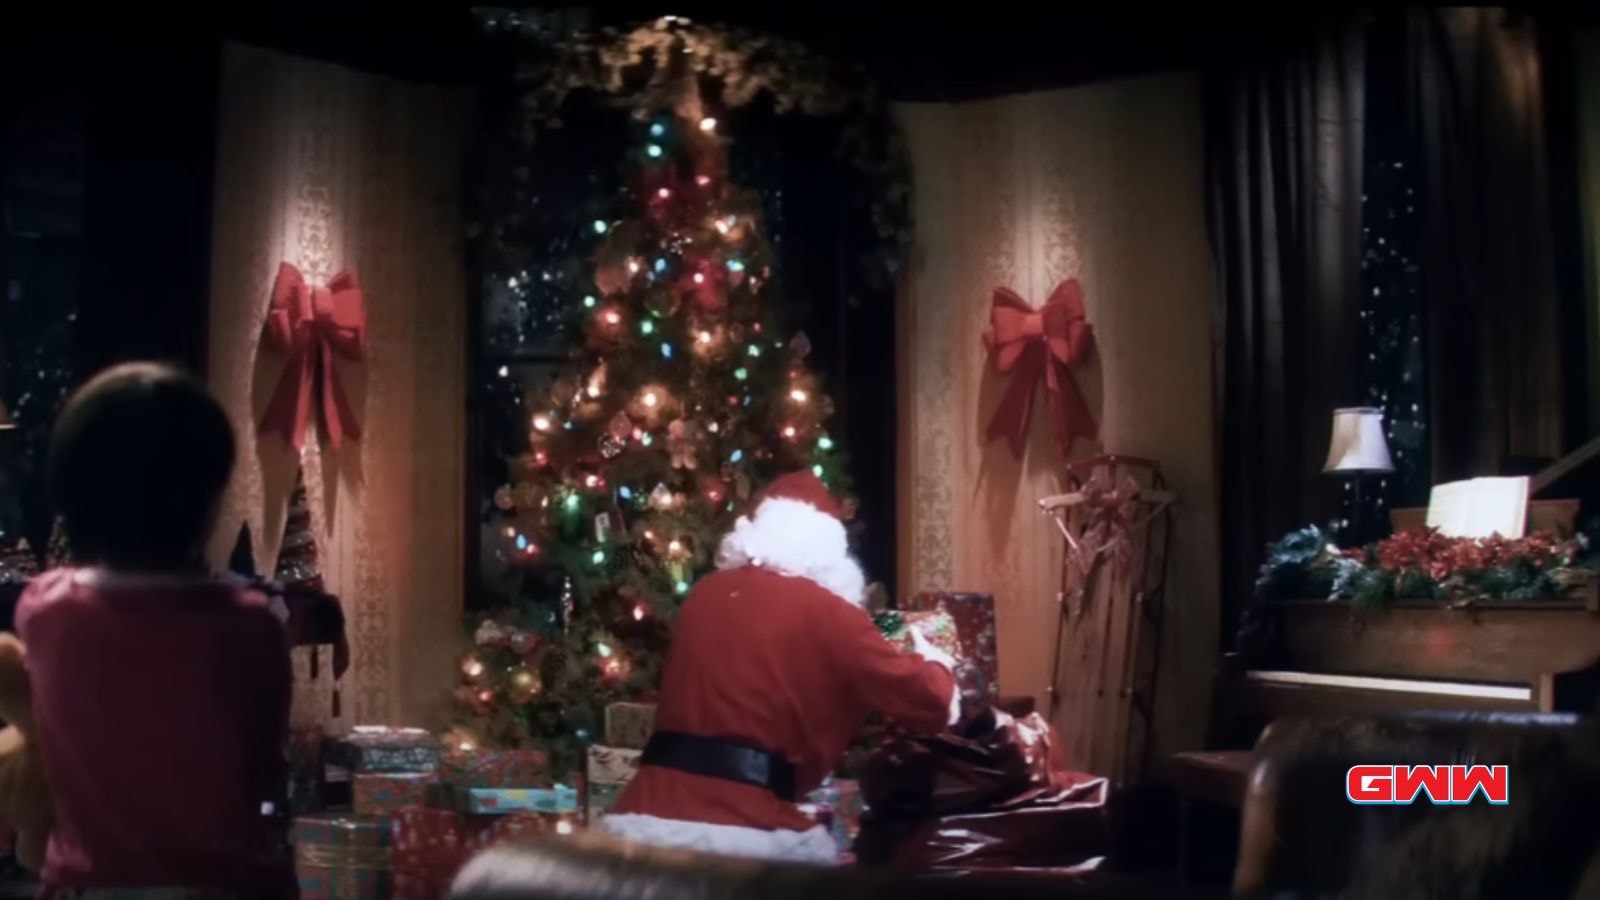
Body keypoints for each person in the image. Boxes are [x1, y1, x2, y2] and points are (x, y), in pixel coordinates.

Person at [15, 363, 295, 899]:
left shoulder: (44, 610)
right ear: (208, 500)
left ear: (72, 494)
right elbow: (265, 772)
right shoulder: (249, 625)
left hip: (86, 887)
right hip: (224, 885)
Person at [599, 470, 960, 864]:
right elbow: (932, 701)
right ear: (830, 552)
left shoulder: (704, 595)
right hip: (747, 830)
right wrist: (936, 656)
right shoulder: (830, 613)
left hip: (641, 817)